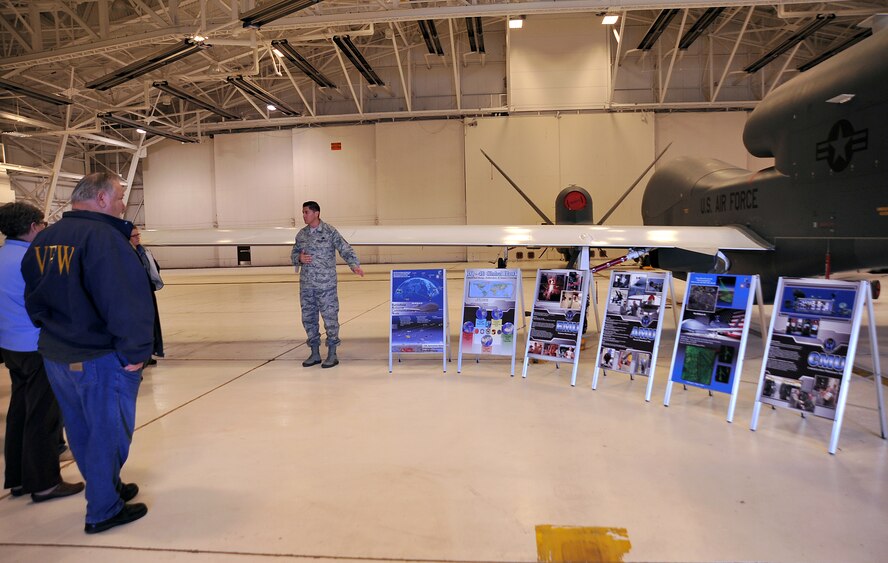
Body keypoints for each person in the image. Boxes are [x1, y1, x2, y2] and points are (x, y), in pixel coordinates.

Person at [21, 172, 154, 534]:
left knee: (81, 430)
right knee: (108, 431)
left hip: (56, 354)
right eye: (120, 195)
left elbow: (32, 294)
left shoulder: (46, 239)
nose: (122, 202)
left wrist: (53, 330)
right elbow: (124, 300)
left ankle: (105, 485)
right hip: (98, 357)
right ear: (100, 199)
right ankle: (104, 509)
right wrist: (137, 352)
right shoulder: (105, 239)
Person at [1, 202, 84, 502]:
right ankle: (45, 482)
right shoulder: (33, 259)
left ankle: (20, 479)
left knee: (20, 411)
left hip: (10, 347)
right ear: (34, 226)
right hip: (37, 347)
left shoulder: (2, 256)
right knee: (44, 416)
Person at [291, 201, 364, 368]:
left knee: (330, 319)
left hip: (326, 286)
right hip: (307, 286)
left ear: (316, 213)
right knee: (308, 319)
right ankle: (315, 353)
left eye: (306, 212)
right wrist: (298, 259)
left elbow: (344, 248)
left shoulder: (330, 231)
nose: (303, 215)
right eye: (303, 212)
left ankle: (332, 353)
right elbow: (294, 253)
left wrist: (354, 265)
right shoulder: (301, 235)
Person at [130, 226, 164, 364]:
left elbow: (154, 268)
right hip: (135, 295)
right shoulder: (128, 253)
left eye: (138, 235)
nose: (138, 237)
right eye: (134, 236)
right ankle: (142, 356)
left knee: (150, 324)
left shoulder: (144, 251)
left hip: (147, 292)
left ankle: (148, 354)